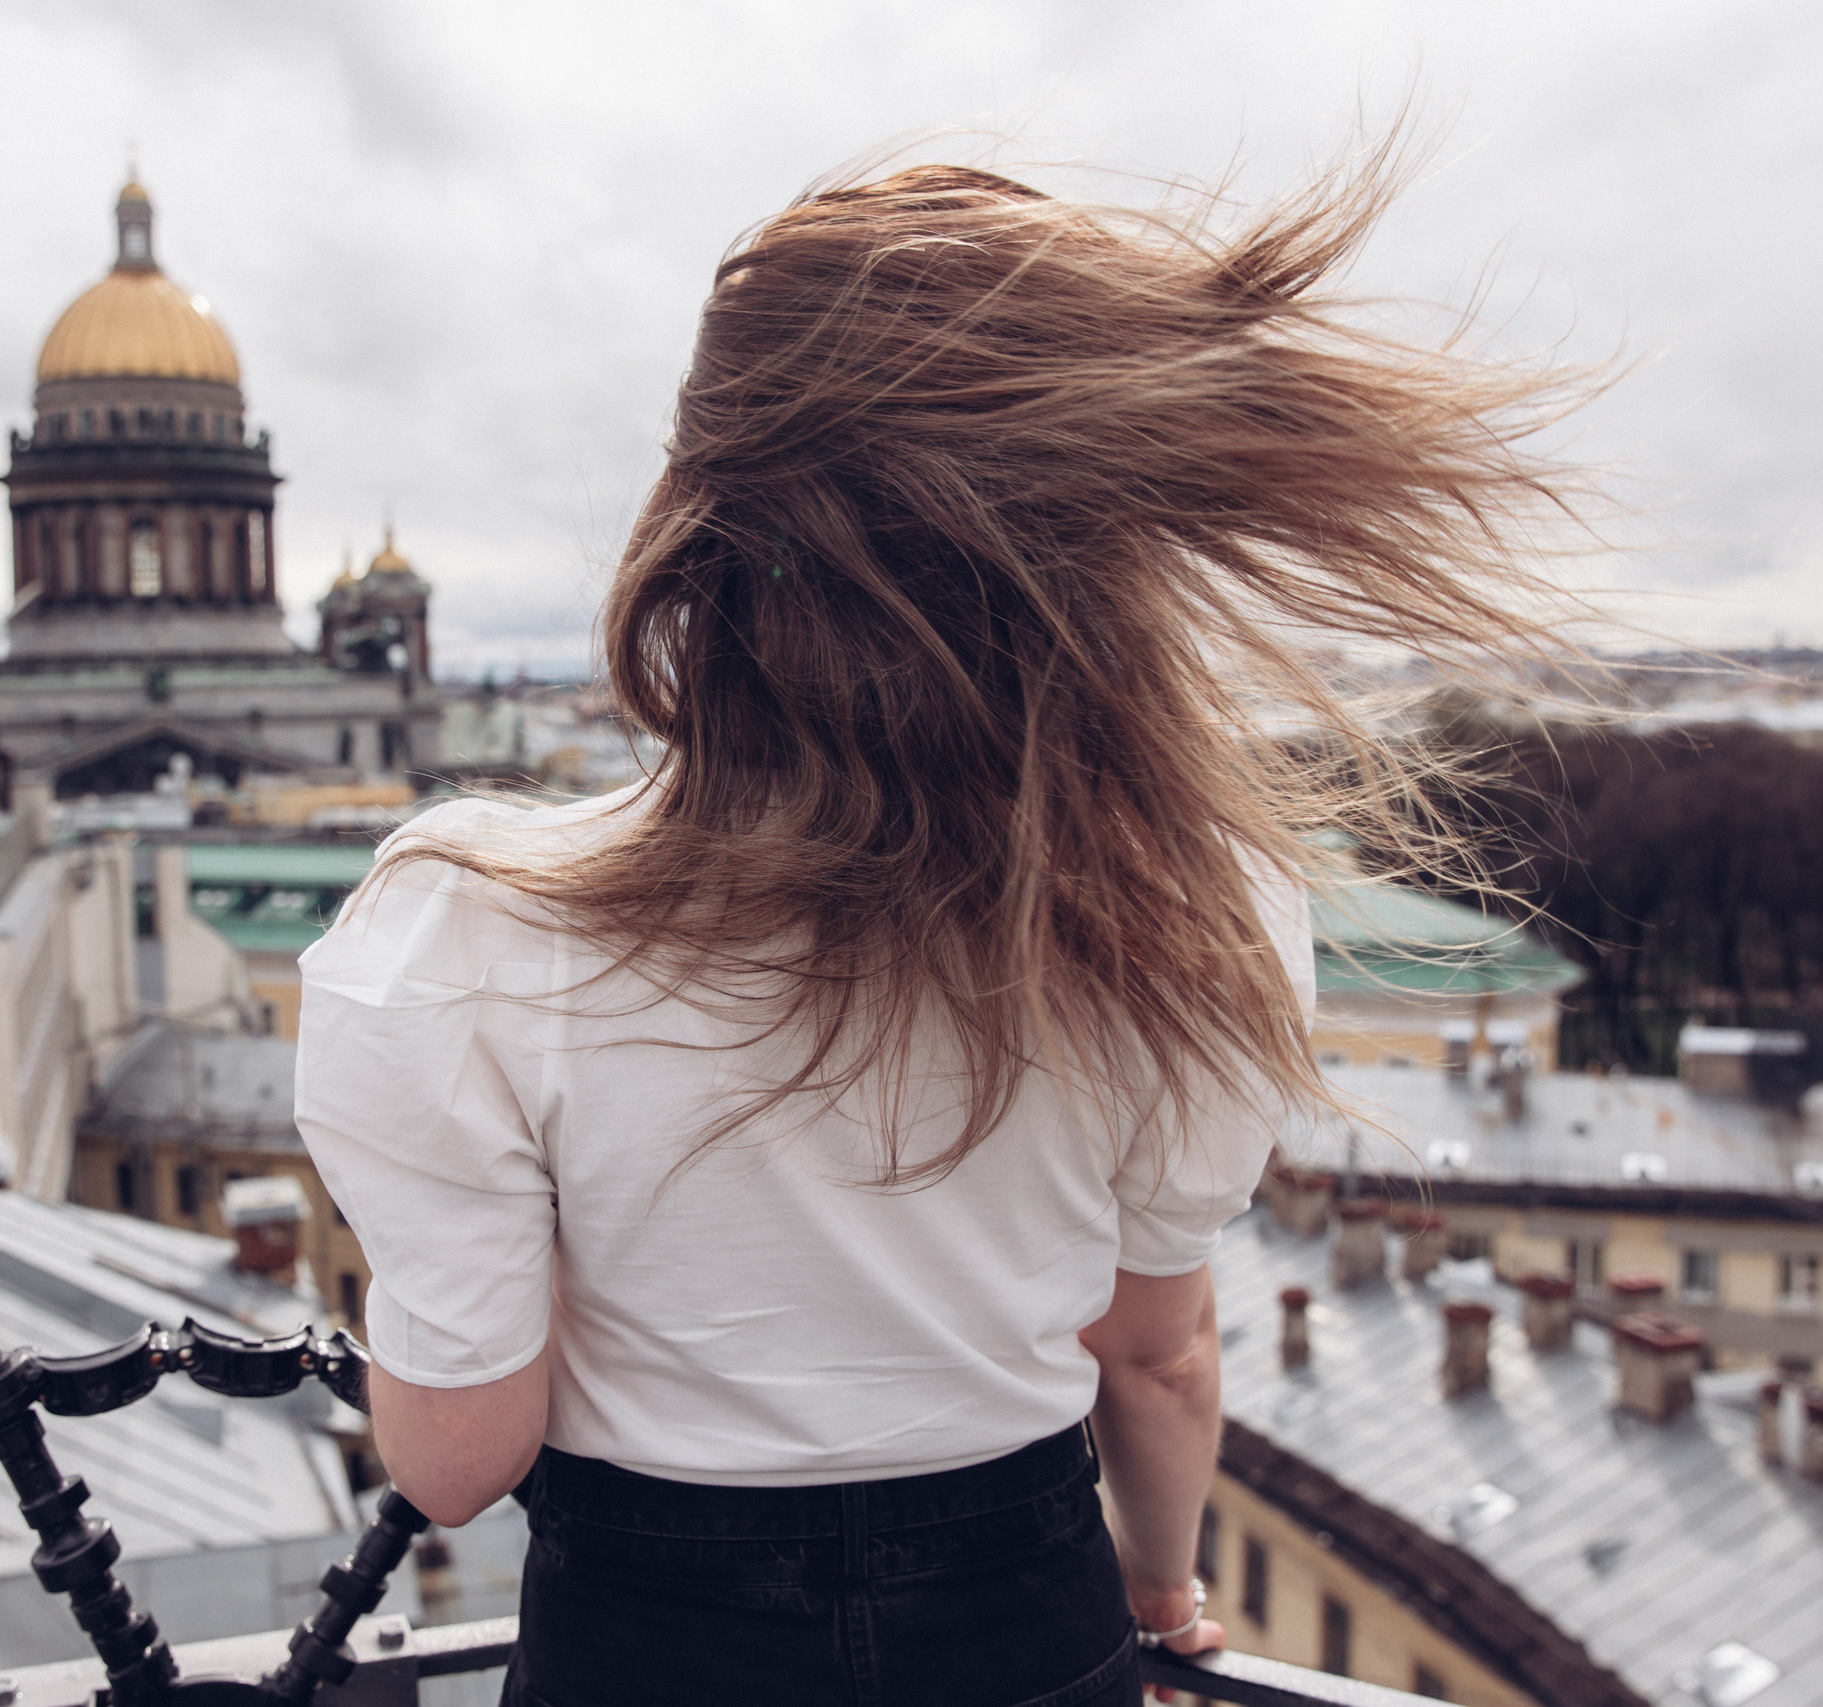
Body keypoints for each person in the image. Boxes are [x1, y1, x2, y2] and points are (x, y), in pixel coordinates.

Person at [296, 156, 1591, 1707]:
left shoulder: (468, 922)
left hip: (649, 1650)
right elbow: (1156, 1356)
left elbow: (455, 1463)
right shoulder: (1198, 911)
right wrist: (1159, 1580)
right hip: (1028, 1634)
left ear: (699, 527)